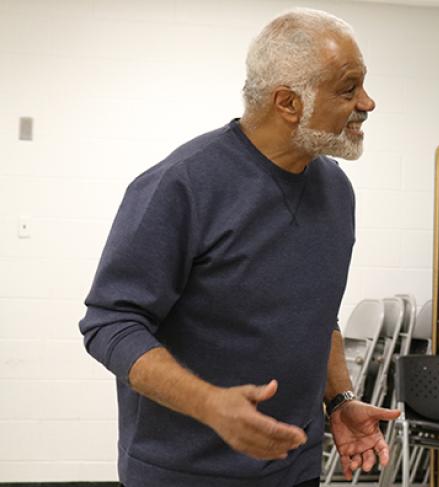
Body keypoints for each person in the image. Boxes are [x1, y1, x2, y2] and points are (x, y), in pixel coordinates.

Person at [78, 8, 399, 487]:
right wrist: (210, 404)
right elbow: (111, 324)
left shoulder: (335, 191)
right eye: (348, 89)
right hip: (185, 473)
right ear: (288, 103)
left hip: (295, 466)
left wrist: (339, 399)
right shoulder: (182, 184)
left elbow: (316, 313)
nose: (367, 103)